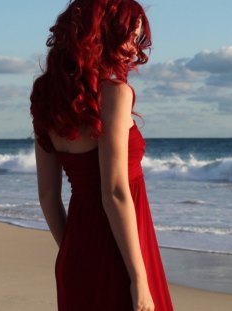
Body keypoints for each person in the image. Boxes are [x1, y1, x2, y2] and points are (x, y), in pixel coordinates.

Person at [30, 1, 174, 310]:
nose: (135, 48)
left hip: (76, 251)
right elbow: (115, 192)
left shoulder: (46, 98)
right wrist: (139, 278)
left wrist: (75, 250)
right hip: (123, 252)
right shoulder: (115, 94)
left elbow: (46, 196)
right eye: (130, 36)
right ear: (104, 34)